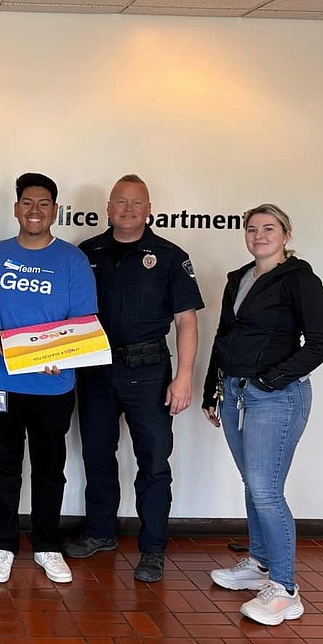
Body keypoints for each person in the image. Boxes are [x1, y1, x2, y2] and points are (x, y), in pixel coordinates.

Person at [66, 175, 203, 583]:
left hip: (149, 372)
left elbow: (187, 322)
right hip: (95, 370)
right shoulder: (85, 253)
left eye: (136, 203)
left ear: (148, 209)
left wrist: (183, 378)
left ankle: (153, 548)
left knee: (154, 463)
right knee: (97, 454)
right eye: (120, 202)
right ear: (107, 209)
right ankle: (100, 532)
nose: (127, 209)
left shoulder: (169, 256)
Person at [202, 204, 323, 626]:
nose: (259, 235)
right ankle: (258, 565)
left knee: (266, 489)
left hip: (275, 396)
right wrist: (211, 388)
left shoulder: (300, 279)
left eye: (269, 228)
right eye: (252, 229)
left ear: (286, 234)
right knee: (253, 483)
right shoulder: (238, 279)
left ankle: (285, 588)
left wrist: (270, 381)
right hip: (234, 391)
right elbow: (225, 336)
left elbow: (320, 343)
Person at [0, 173, 97, 586]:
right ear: (15, 208)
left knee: (49, 467)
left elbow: (83, 323)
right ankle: (3, 545)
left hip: (52, 386)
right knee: (5, 466)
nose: (35, 211)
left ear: (55, 211)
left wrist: (62, 353)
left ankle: (47, 545)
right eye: (27, 202)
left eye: (44, 203)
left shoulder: (73, 261)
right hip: (1, 382)